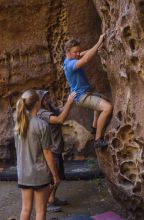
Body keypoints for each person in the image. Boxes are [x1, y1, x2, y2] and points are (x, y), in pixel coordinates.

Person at [14, 90, 60, 220]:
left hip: (23, 173)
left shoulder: (18, 125)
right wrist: (55, 175)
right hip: (39, 174)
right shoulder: (42, 125)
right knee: (40, 211)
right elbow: (47, 152)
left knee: (25, 208)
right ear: (37, 103)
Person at [63, 34, 112, 149]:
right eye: (75, 52)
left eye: (78, 51)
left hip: (83, 94)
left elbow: (83, 54)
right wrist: (99, 42)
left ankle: (94, 128)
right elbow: (85, 59)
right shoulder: (70, 64)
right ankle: (98, 140)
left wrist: (82, 52)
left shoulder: (69, 59)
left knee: (103, 98)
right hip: (82, 97)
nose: (78, 54)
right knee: (107, 108)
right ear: (68, 52)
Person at [36, 90, 76, 213]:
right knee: (52, 179)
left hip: (56, 149)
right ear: (40, 101)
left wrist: (70, 101)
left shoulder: (49, 107)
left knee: (57, 178)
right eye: (44, 96)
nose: (48, 96)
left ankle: (52, 199)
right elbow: (59, 120)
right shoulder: (41, 112)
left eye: (47, 94)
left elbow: (61, 110)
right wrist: (69, 102)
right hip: (51, 150)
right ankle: (47, 204)